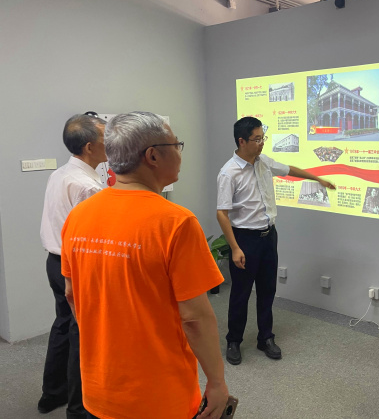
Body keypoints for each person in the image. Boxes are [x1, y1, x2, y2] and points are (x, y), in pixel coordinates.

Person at [61, 112, 229, 419]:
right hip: (158, 396)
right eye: (176, 144)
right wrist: (217, 382)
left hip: (98, 388)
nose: (180, 152)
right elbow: (194, 318)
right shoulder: (176, 222)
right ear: (153, 156)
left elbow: (72, 294)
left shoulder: (79, 216)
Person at [217, 116, 335, 365]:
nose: (261, 143)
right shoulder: (229, 173)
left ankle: (265, 338)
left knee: (267, 290)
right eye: (257, 139)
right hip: (244, 239)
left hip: (268, 237)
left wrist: (316, 178)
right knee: (240, 294)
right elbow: (222, 214)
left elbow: (289, 169)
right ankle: (234, 341)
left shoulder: (264, 162)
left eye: (263, 138)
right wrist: (235, 248)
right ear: (241, 141)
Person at [39, 112, 107, 418]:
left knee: (63, 325)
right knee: (82, 334)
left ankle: (51, 394)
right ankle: (79, 408)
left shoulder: (61, 174)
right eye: (106, 138)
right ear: (90, 147)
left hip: (54, 262)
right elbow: (93, 238)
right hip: (76, 268)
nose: (111, 143)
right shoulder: (87, 187)